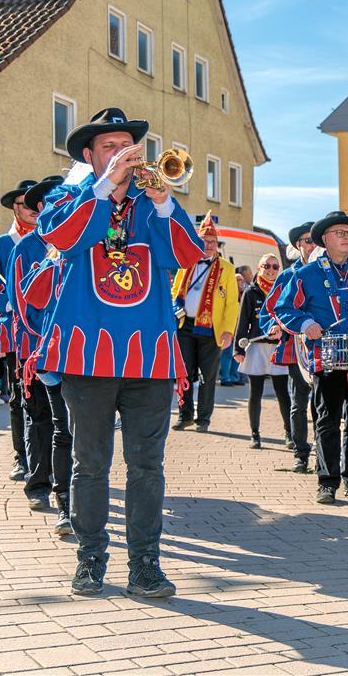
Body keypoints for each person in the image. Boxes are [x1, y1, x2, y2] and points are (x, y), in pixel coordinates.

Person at [37, 107, 205, 596]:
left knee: (146, 465)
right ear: (89, 155)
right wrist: (103, 188)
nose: (121, 154)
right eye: (109, 147)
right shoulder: (67, 197)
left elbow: (190, 256)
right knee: (90, 463)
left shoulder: (152, 203)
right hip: (85, 354)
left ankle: (145, 564)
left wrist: (166, 204)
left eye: (126, 146)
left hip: (149, 354)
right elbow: (62, 238)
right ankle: (90, 558)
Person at [273, 211, 348, 504]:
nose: (347, 237)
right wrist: (306, 324)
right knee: (327, 421)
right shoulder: (306, 274)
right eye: (340, 233)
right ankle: (327, 481)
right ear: (325, 240)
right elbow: (284, 309)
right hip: (326, 359)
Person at [7, 175, 67, 511]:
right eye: (53, 202)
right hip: (37, 350)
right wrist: (42, 344)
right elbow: (20, 302)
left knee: (68, 426)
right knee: (41, 419)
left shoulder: (78, 239)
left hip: (72, 352)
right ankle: (40, 483)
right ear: (41, 207)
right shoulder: (24, 247)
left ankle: (67, 489)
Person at [0, 178, 38, 479]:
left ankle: (49, 458)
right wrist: (8, 303)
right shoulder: (2, 244)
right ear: (15, 208)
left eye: (35, 204)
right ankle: (22, 458)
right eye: (24, 204)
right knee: (20, 396)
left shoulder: (53, 239)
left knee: (50, 397)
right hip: (15, 330)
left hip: (48, 331)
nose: (31, 210)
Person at [171, 213, 239, 433]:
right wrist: (174, 307)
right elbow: (175, 291)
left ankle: (204, 419)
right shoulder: (186, 262)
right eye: (204, 241)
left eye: (212, 242)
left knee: (208, 376)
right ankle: (185, 415)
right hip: (185, 327)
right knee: (184, 374)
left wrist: (228, 331)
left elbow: (232, 303)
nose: (208, 246)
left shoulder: (227, 268)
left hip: (211, 330)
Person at [266, 221, 317, 463]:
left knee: (322, 403)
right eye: (308, 241)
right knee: (299, 400)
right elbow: (269, 310)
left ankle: (323, 453)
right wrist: (272, 326)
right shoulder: (288, 275)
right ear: (298, 245)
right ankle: (300, 453)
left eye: (316, 240)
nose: (313, 245)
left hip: (323, 347)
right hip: (297, 346)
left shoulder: (328, 273)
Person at [232, 254, 291, 449]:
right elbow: (243, 321)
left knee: (283, 393)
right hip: (257, 347)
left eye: (275, 266)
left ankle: (289, 434)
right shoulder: (251, 292)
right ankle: (255, 434)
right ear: (259, 267)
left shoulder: (284, 289)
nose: (271, 270)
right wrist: (238, 349)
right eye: (267, 265)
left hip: (278, 347)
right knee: (255, 392)